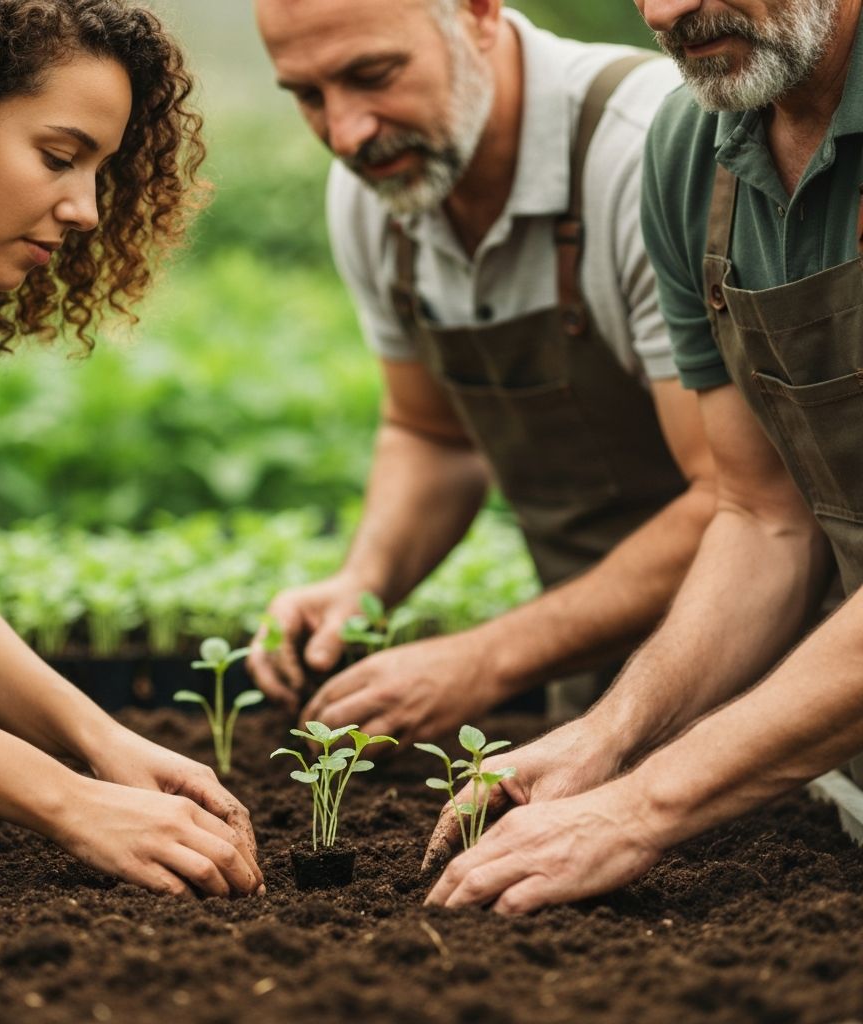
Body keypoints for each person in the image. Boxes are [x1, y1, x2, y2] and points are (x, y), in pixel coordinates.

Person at [424, 0, 863, 915]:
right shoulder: (691, 147)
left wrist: (643, 808)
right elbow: (763, 515)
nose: (665, 11)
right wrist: (608, 737)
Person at [0, 0, 263, 900]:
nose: (86, 209)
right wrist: (69, 803)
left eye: (101, 170)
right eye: (59, 158)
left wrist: (100, 741)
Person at [248, 0, 717, 742]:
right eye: (308, 95)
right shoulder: (381, 191)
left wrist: (490, 658)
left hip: (753, 667)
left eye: (372, 74)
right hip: (588, 669)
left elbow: (739, 504)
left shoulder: (641, 153)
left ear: (477, 15)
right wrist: (362, 585)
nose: (346, 133)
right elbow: (433, 436)